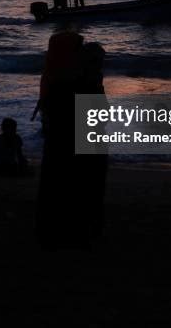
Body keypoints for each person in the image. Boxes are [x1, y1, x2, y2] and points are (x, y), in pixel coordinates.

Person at [35, 32, 108, 250]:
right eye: (77, 49)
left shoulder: (55, 79)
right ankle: (76, 232)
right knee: (78, 188)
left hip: (63, 147)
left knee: (59, 188)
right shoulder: (74, 84)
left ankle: (56, 230)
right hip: (76, 146)